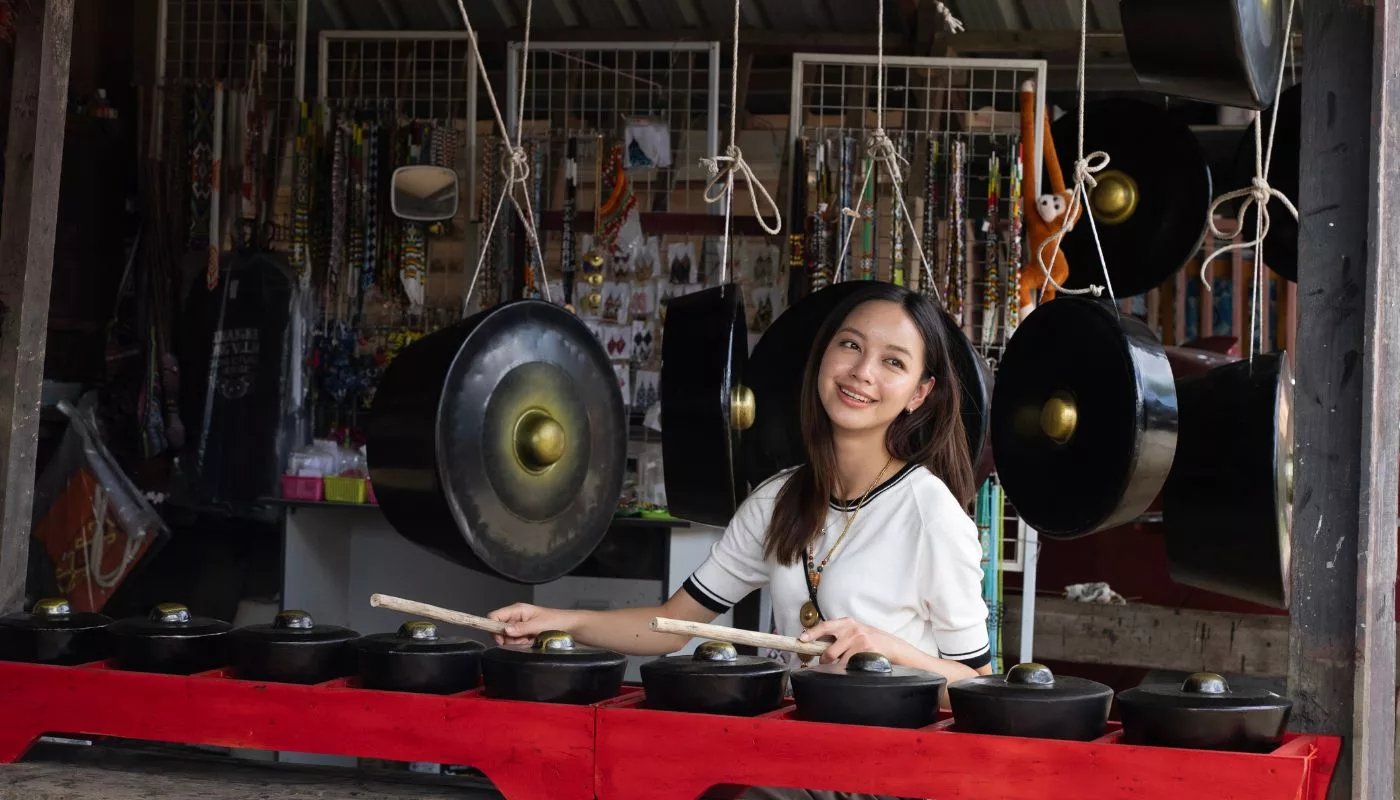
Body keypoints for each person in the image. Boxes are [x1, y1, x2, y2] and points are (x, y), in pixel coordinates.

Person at [489, 283, 992, 799]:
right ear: (823, 356)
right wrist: (562, 622)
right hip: (800, 752)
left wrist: (887, 649)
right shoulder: (778, 499)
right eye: (851, 345)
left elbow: (978, 685)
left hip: (891, 769)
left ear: (918, 393)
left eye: (893, 362)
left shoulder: (930, 513)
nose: (863, 371)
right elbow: (670, 625)